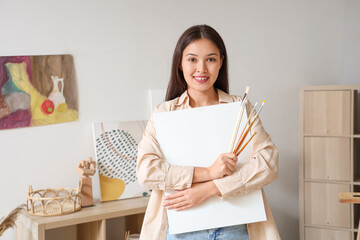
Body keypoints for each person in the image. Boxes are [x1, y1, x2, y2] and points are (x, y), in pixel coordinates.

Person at [136, 24, 280, 240]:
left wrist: (211, 188)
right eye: (192, 59)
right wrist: (209, 172)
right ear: (180, 63)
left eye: (210, 59)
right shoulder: (164, 113)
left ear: (221, 62)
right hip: (181, 229)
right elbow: (146, 171)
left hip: (236, 227)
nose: (201, 69)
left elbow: (268, 163)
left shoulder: (240, 108)